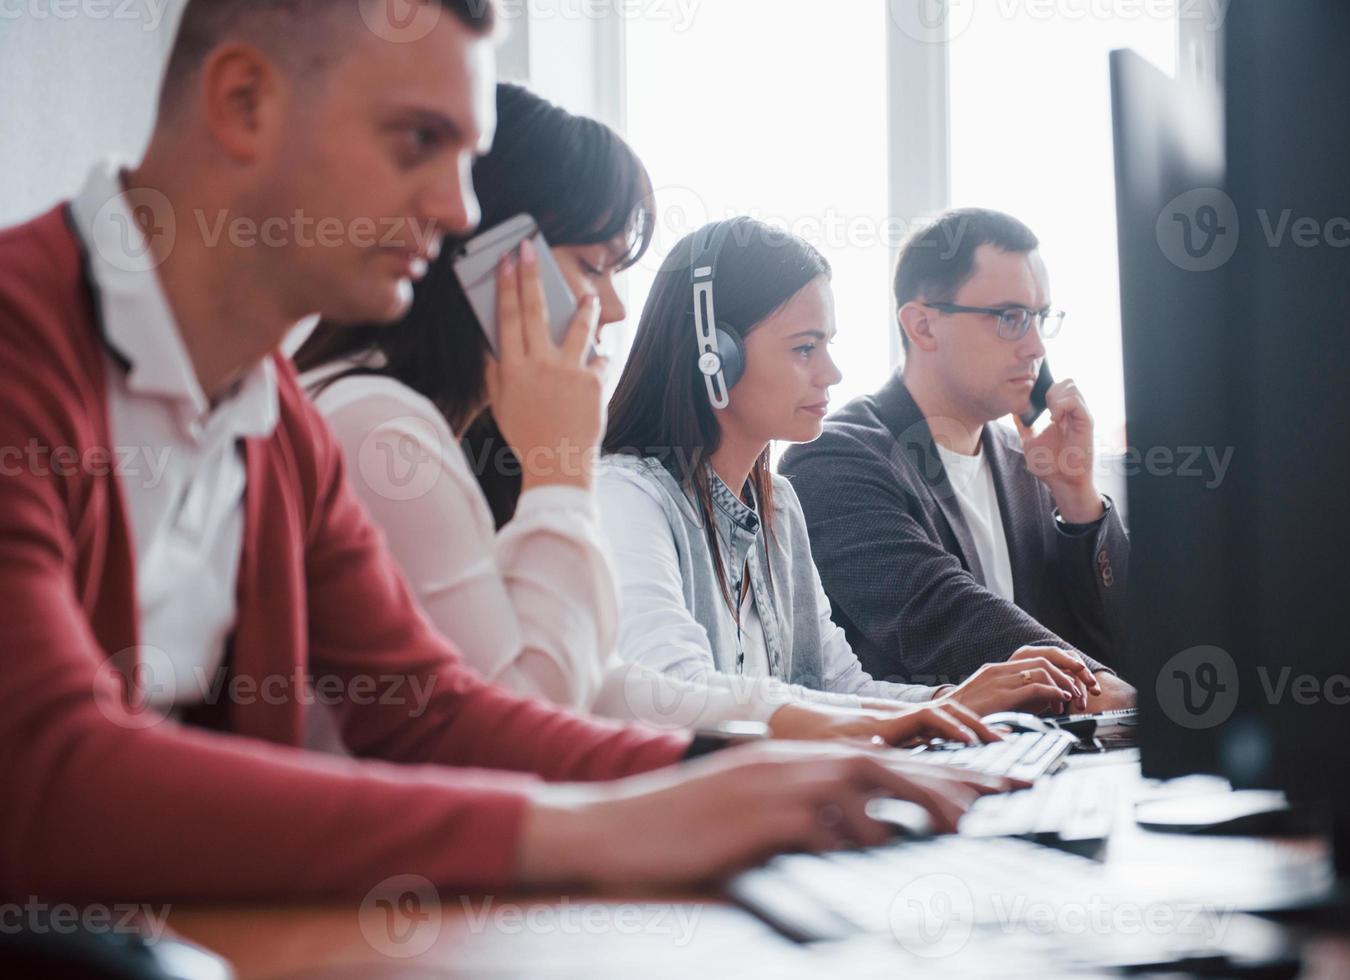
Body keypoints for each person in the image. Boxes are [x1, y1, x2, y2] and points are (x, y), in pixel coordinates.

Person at [0, 0, 994, 902]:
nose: (457, 211)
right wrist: (603, 824)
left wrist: (731, 770)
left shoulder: (277, 419)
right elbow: (42, 772)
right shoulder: (21, 343)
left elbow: (433, 712)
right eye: (418, 141)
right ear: (245, 100)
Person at [295, 84, 983, 747]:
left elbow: (601, 685)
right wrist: (560, 466)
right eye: (593, 268)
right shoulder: (386, 432)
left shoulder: (446, 442)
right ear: (491, 262)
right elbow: (533, 711)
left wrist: (878, 718)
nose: (613, 307)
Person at [598, 217, 1108, 723]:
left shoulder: (778, 506)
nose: (831, 373)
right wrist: (932, 710)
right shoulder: (627, 497)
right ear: (716, 356)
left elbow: (839, 686)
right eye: (804, 348)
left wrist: (949, 702)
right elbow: (672, 693)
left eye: (828, 345)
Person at [780, 208, 1135, 708]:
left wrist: (1078, 499)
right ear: (923, 326)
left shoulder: (1028, 461)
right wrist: (1123, 700)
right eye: (1010, 318)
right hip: (923, 769)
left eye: (1039, 318)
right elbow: (941, 618)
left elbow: (1129, 642)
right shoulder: (833, 460)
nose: (1034, 346)